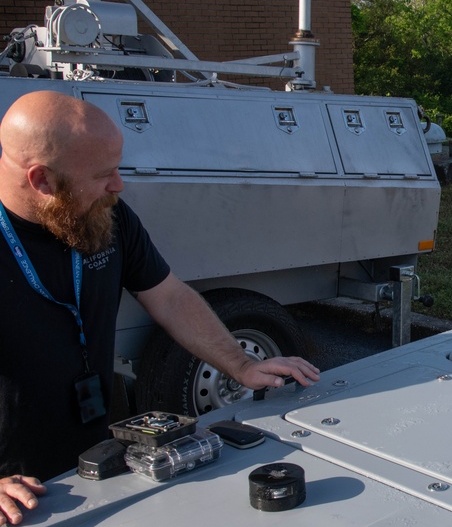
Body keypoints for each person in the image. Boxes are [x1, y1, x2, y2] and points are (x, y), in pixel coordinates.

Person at [0, 91, 321, 483]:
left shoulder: (105, 216)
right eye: (103, 175)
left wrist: (241, 365)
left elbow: (169, 297)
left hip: (91, 457)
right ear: (42, 179)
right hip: (14, 489)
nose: (118, 185)